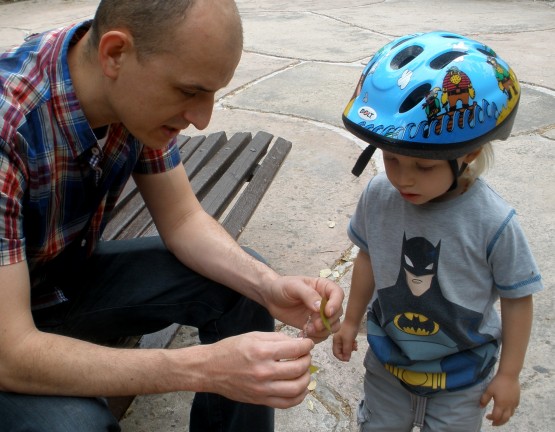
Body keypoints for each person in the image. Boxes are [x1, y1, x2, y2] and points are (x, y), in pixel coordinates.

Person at [0, 1, 344, 431]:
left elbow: (182, 219)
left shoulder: (127, 80)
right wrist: (203, 367)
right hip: (7, 335)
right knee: (76, 425)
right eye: (188, 92)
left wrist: (268, 285)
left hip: (51, 282)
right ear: (114, 54)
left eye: (212, 94)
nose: (201, 120)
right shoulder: (9, 124)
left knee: (240, 290)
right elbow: (11, 353)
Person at [332, 31, 543, 432]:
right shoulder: (379, 195)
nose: (402, 179)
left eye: (423, 167)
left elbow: (518, 299)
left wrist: (510, 374)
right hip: (387, 366)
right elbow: (368, 257)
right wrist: (350, 320)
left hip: (463, 380)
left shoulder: (493, 222)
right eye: (391, 159)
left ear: (470, 154)